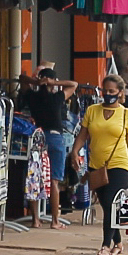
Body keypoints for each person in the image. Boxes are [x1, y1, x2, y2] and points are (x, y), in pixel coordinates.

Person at [82, 75, 128, 255]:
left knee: (111, 203)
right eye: (105, 91)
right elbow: (83, 135)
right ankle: (119, 243)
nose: (107, 94)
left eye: (112, 91)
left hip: (120, 164)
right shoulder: (92, 111)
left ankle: (105, 246)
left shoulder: (127, 114)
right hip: (96, 165)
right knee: (107, 206)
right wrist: (75, 152)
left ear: (120, 93)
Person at [25, 65, 77, 228]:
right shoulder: (57, 97)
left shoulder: (32, 97)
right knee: (54, 181)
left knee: (35, 177)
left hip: (38, 137)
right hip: (55, 138)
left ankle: (35, 220)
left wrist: (37, 81)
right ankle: (55, 221)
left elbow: (21, 79)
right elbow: (74, 84)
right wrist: (53, 83)